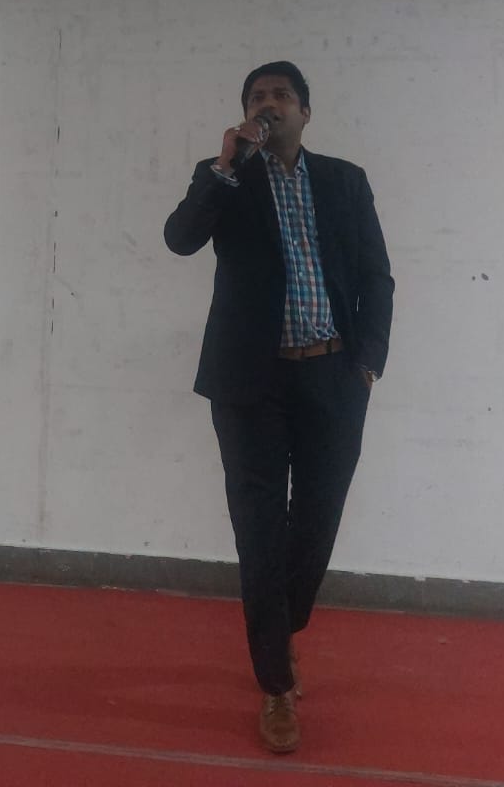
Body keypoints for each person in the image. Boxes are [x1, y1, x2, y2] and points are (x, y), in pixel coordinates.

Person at [163, 61, 394, 755]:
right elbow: (180, 238)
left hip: (333, 377)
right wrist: (223, 166)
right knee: (259, 531)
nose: (270, 104)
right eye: (258, 97)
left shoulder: (345, 181)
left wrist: (367, 365)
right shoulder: (226, 178)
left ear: (305, 112)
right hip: (249, 386)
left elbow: (377, 276)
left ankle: (278, 629)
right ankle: (275, 685)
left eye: (282, 95)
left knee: (316, 523)